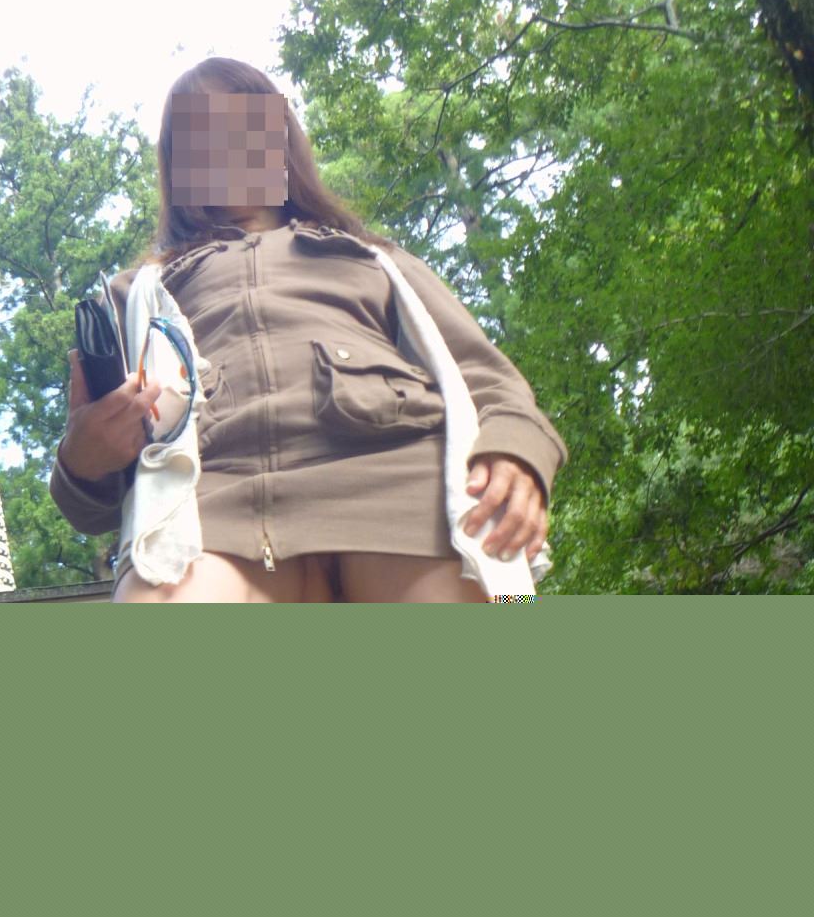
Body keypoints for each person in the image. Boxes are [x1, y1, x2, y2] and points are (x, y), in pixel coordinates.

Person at [50, 58, 569, 603]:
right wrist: (82, 461)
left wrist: (516, 455)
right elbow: (91, 502)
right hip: (207, 511)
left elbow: (487, 379)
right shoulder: (137, 295)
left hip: (407, 493)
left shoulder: (375, 258)